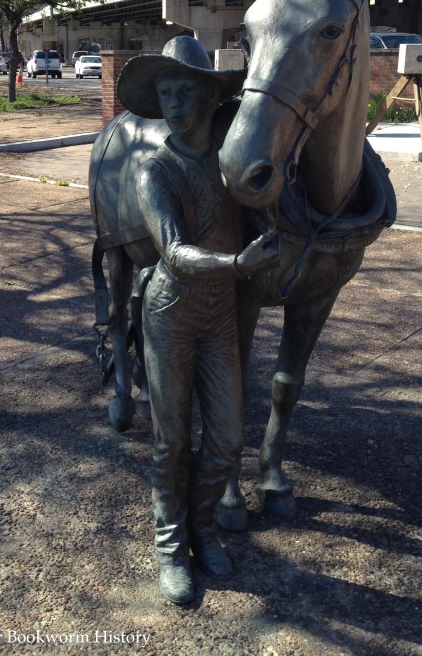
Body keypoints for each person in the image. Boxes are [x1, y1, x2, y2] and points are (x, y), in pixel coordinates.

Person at [117, 36, 279, 605]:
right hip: (171, 313)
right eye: (167, 94)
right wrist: (238, 264)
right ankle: (170, 546)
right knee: (171, 440)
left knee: (228, 439)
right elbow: (175, 253)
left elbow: (265, 206)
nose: (177, 103)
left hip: (220, 316)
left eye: (186, 91)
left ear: (211, 98)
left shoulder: (227, 164)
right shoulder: (156, 172)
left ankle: (203, 528)